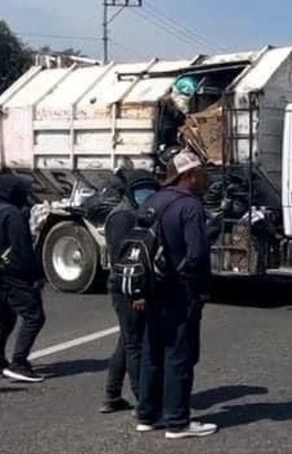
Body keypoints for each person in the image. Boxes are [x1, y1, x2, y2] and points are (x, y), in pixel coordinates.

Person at [136, 150, 218, 439]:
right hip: (178, 290)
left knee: (153, 351)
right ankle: (177, 422)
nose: (204, 178)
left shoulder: (153, 201)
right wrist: (203, 289)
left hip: (150, 287)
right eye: (201, 173)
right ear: (189, 175)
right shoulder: (190, 207)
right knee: (179, 355)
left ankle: (147, 414)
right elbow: (197, 255)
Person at [100, 170, 160, 414]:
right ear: (130, 192)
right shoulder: (123, 217)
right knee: (136, 344)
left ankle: (112, 395)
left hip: (133, 285)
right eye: (141, 190)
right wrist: (137, 293)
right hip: (126, 287)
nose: (147, 194)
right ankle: (143, 401)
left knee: (127, 340)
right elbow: (124, 260)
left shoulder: (139, 213)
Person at [0, 174, 46, 383]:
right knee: (34, 316)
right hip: (13, 274)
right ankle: (18, 363)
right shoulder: (12, 215)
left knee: (3, 318)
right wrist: (35, 276)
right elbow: (22, 250)